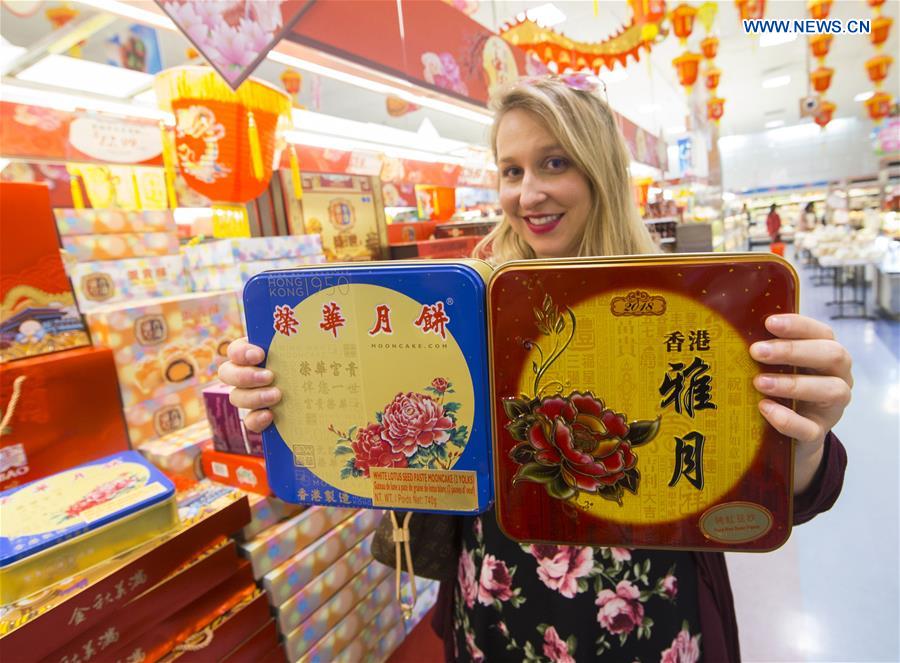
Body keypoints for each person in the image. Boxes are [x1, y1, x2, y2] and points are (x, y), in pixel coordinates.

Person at [219, 76, 851, 662]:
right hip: (498, 593)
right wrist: (291, 396)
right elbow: (394, 427)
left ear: (599, 169)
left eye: (555, 162)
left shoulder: (689, 301)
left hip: (645, 602)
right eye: (511, 170)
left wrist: (804, 441)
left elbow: (776, 488)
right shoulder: (464, 302)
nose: (528, 193)